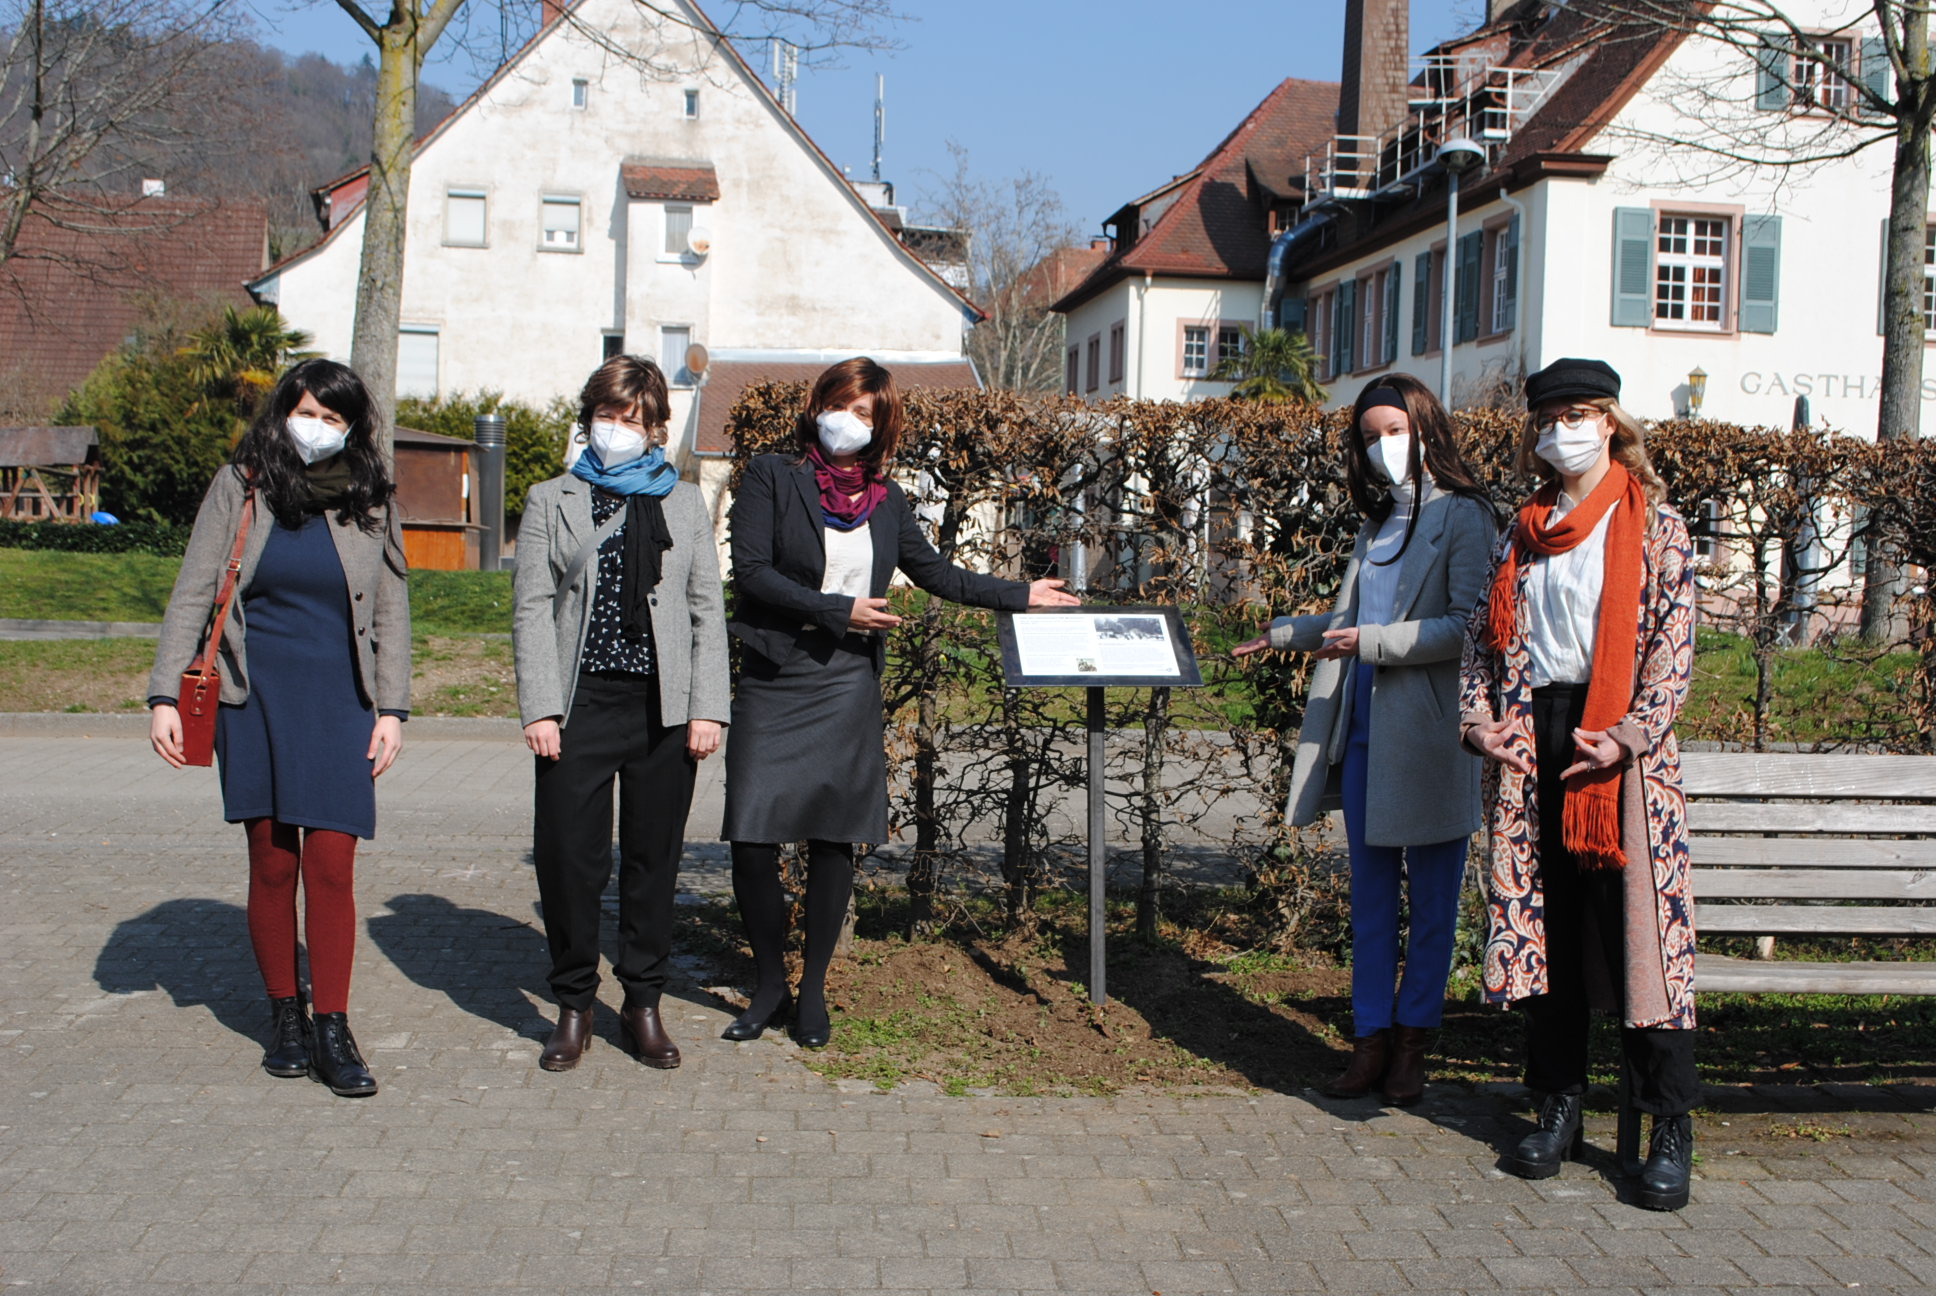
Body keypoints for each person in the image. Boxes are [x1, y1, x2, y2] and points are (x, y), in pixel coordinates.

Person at [721, 357, 1078, 1049]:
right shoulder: (771, 475)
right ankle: (768, 985)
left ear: (880, 426)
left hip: (847, 681)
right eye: (839, 404)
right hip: (776, 677)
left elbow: (935, 572)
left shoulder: (885, 500)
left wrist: (1020, 593)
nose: (847, 421)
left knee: (833, 837)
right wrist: (838, 609)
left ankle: (813, 989)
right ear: (816, 405)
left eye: (864, 412)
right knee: (752, 837)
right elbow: (754, 574)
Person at [1459, 357, 1699, 1211]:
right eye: (1551, 416)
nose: (1564, 429)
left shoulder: (1658, 527)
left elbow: (1673, 652)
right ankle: (1557, 1104)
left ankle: (1667, 1123)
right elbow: (1481, 643)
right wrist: (1479, 722)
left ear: (1611, 423)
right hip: (1537, 740)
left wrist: (1628, 736)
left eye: (1580, 413)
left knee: (1639, 942)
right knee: (1549, 931)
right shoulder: (1522, 530)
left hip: (1622, 754)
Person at [147, 358, 410, 1098]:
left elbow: (392, 607)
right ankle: (285, 1016)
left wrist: (393, 710)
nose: (316, 427)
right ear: (281, 413)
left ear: (351, 427)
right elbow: (193, 590)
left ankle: (333, 1025)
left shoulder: (369, 496)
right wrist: (164, 694)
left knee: (332, 863)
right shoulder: (241, 486)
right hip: (252, 696)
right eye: (305, 412)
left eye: (332, 417)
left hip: (341, 701)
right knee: (271, 863)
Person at [1233, 373, 1496, 1106]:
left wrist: (1373, 643)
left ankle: (1413, 1046)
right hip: (1364, 734)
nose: (1384, 446)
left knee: (1434, 906)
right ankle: (1369, 1040)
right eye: (1371, 435)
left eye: (1396, 431)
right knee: (1371, 904)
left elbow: (1468, 627)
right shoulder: (1377, 519)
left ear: (1427, 429)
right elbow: (1352, 621)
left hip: (1434, 737)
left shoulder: (1466, 514)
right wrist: (1285, 633)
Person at [512, 355, 730, 1072]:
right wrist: (540, 707)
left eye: (632, 419)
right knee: (568, 861)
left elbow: (706, 610)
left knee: (651, 863)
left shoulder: (684, 503)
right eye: (607, 415)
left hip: (663, 709)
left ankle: (642, 1003)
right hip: (579, 705)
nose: (617, 429)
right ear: (588, 419)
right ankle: (574, 1003)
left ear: (657, 427)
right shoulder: (551, 499)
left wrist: (708, 707)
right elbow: (532, 608)